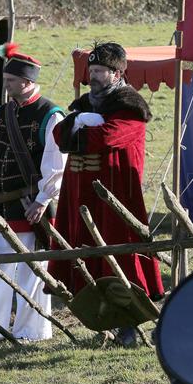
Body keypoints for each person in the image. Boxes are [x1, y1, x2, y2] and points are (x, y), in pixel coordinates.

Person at [49, 41, 165, 346]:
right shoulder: (86, 105)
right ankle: (103, 321)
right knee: (87, 255)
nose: (94, 76)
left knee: (119, 255)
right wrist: (79, 120)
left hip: (114, 195)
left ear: (117, 73)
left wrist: (79, 128)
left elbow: (109, 136)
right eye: (92, 69)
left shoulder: (130, 107)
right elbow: (59, 135)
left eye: (101, 71)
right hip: (81, 196)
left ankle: (129, 323)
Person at [0, 43, 66, 343]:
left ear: (27, 81)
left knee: (32, 273)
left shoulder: (51, 115)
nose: (6, 86)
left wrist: (42, 200)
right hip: (0, 207)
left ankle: (31, 332)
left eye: (11, 81)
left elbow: (56, 163)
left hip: (32, 207)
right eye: (6, 80)